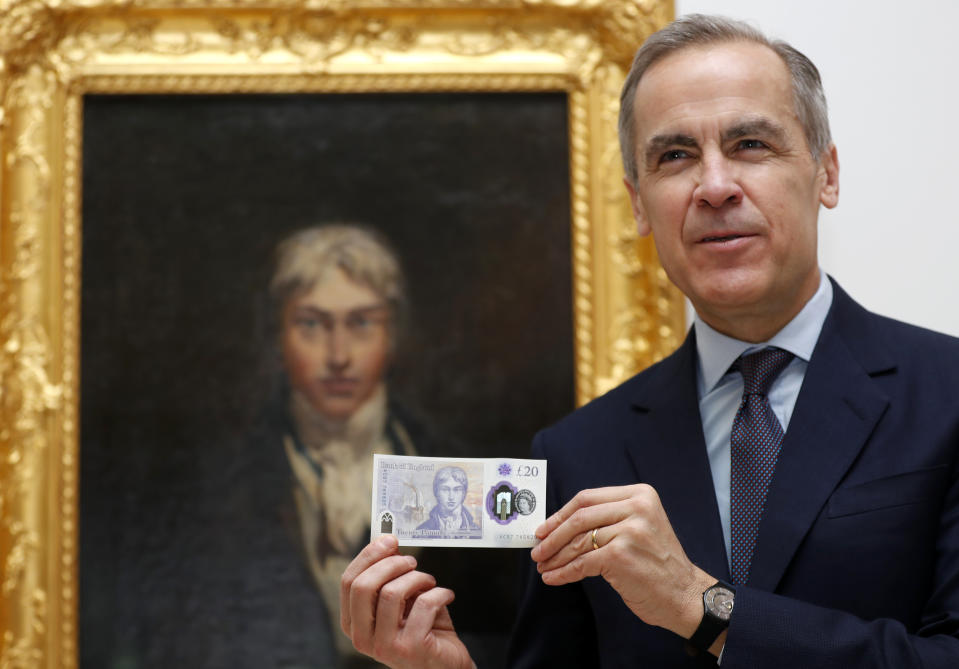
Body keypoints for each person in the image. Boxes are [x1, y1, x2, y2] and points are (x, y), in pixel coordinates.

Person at [339, 14, 959, 669]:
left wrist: (702, 605)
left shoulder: (945, 394)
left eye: (749, 143)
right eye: (674, 156)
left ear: (825, 174)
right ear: (638, 204)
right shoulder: (580, 451)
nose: (714, 186)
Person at [415, 466, 481, 537]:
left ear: (464, 493)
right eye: (445, 489)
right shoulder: (421, 531)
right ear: (436, 492)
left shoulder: (476, 531)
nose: (451, 497)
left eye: (457, 490)